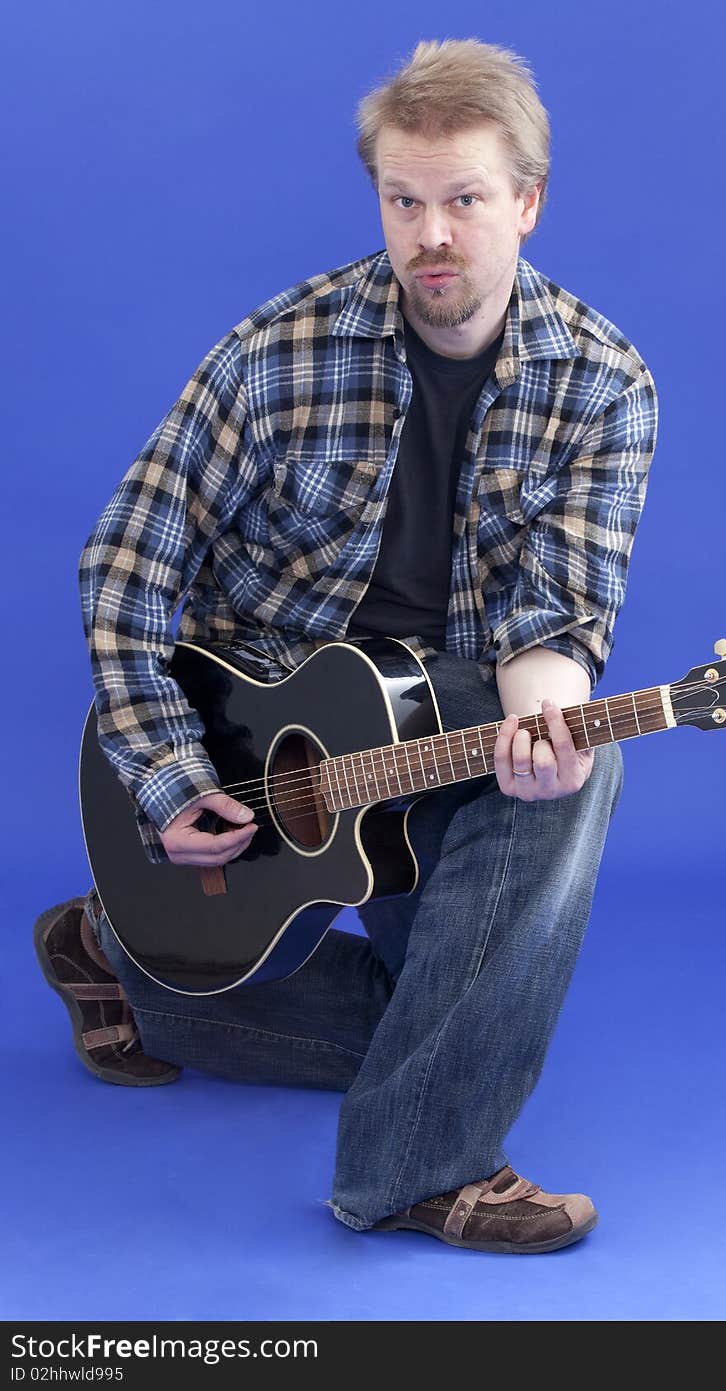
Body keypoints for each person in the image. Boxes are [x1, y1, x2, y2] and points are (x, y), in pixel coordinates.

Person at [35, 38, 658, 1254]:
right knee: (445, 1027)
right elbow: (124, 565)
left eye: (465, 199)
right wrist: (169, 774)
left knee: (587, 760)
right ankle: (119, 944)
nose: (431, 234)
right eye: (404, 199)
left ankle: (417, 1165)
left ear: (527, 202)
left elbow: (558, 615)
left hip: (437, 740)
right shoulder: (276, 353)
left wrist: (549, 711)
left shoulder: (604, 384)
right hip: (255, 748)